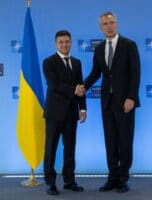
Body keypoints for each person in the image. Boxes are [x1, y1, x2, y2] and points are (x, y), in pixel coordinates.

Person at [77, 11, 140, 193]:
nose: (109, 26)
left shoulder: (129, 45)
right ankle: (112, 178)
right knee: (110, 141)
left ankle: (123, 179)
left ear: (117, 24)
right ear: (100, 27)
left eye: (111, 22)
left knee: (125, 141)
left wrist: (132, 98)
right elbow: (96, 73)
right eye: (105, 23)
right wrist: (83, 87)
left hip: (125, 103)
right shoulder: (99, 49)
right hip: (107, 102)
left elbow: (135, 74)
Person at [43, 30, 86, 195]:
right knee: (51, 149)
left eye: (67, 41)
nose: (64, 44)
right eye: (61, 42)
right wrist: (74, 90)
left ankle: (69, 180)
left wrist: (82, 108)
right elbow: (54, 85)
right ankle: (50, 182)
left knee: (70, 149)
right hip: (54, 114)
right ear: (56, 44)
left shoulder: (77, 62)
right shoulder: (48, 62)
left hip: (71, 114)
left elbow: (81, 86)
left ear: (71, 43)